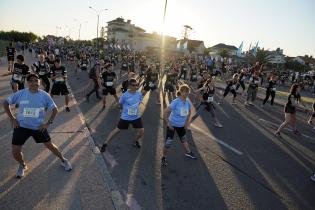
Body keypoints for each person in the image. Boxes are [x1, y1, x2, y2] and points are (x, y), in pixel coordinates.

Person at [3, 74, 72, 178]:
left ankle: (63, 160)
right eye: (31, 81)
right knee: (15, 151)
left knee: (50, 146)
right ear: (28, 82)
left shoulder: (45, 95)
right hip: (21, 127)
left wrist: (48, 123)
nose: (35, 82)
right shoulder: (21, 93)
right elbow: (5, 102)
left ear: (39, 82)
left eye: (36, 80)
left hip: (38, 127)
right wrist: (12, 118)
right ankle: (22, 165)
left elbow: (55, 109)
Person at [100, 79, 144, 153]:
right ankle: (105, 143)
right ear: (129, 86)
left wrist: (134, 109)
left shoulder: (139, 94)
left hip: (136, 117)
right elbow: (120, 104)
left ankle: (135, 141)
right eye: (134, 85)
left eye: (137, 85)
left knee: (142, 131)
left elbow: (138, 102)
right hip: (126, 117)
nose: (136, 86)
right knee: (117, 130)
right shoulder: (125, 95)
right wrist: (123, 110)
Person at [161, 84, 197, 166]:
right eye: (184, 92)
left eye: (187, 92)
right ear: (180, 92)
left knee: (184, 139)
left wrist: (186, 123)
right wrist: (168, 123)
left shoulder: (187, 103)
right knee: (168, 143)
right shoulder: (176, 102)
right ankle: (163, 157)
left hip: (181, 126)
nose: (186, 93)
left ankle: (189, 152)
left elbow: (190, 112)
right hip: (172, 125)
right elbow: (165, 112)